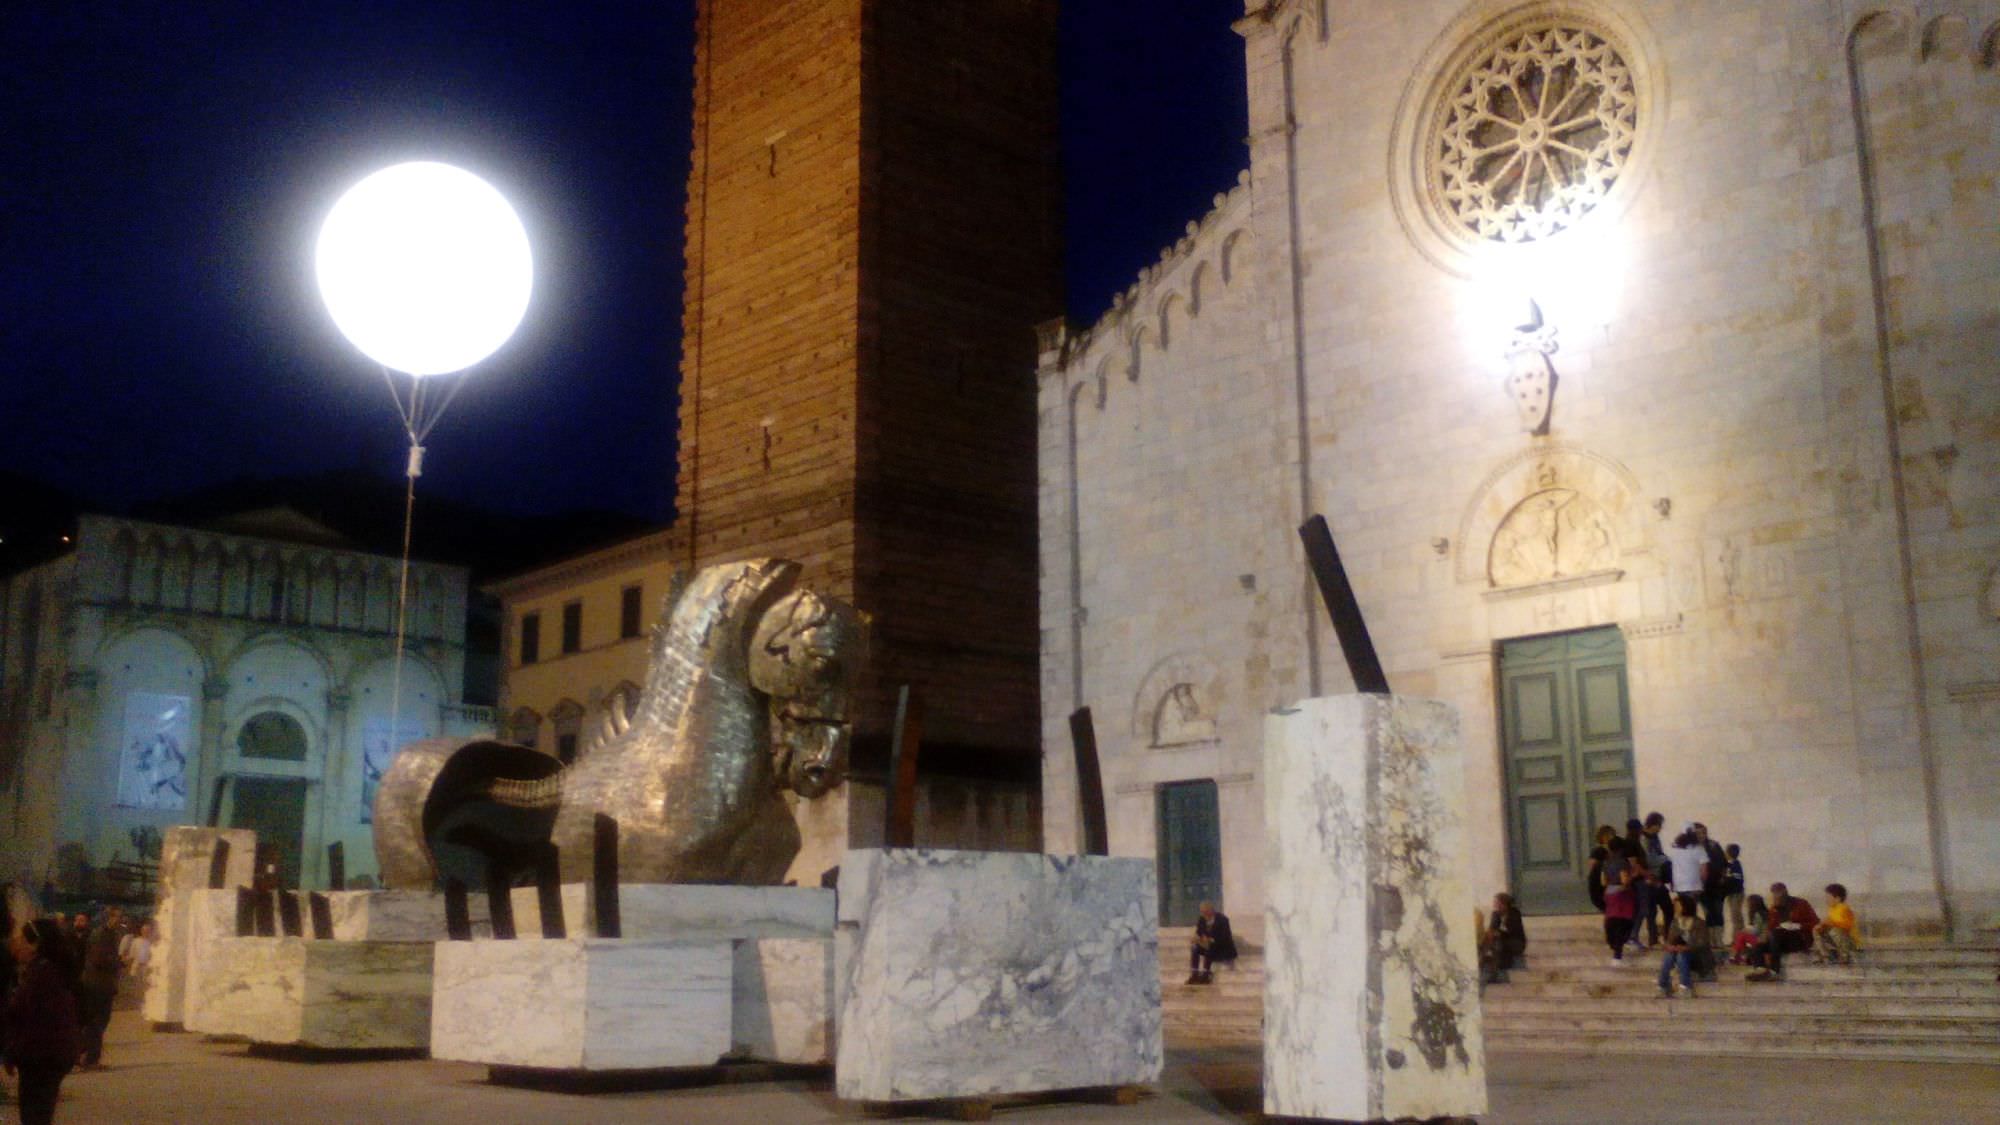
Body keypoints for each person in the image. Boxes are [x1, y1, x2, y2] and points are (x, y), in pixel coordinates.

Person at [4, 918, 84, 1125]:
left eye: (21, 939)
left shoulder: (42, 974)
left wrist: (12, 1052)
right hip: (52, 1055)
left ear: (35, 944)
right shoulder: (52, 970)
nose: (17, 944)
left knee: (34, 1117)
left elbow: (23, 1015)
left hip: (41, 1057)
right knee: (40, 1115)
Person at [75, 906, 122, 1068]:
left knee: (98, 1021)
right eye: (117, 917)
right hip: (96, 985)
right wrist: (119, 962)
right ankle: (89, 1058)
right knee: (97, 1021)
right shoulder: (100, 935)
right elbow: (98, 960)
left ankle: (81, 1055)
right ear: (108, 918)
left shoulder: (109, 934)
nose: (119, 921)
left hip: (102, 984)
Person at [1746, 882, 1818, 981]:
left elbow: (1815, 922)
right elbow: (1771, 927)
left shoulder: (1801, 904)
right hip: (1779, 941)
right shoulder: (1774, 909)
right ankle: (1760, 969)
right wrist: (1764, 937)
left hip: (1799, 938)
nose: (1776, 897)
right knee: (1758, 944)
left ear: (1785, 893)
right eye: (1774, 895)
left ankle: (1774, 971)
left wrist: (1797, 926)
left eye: (1778, 894)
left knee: (1776, 934)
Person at [1656, 893, 1710, 999]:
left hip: (1696, 956)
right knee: (1670, 955)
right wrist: (1670, 946)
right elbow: (1670, 941)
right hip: (1679, 953)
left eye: (1677, 905)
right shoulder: (1675, 922)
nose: (1675, 908)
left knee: (1681, 955)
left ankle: (1686, 987)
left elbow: (1702, 943)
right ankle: (1663, 986)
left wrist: (1687, 947)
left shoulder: (1699, 923)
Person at [1480, 893, 1527, 984]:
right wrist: (1495, 933)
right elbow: (1492, 929)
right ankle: (1493, 971)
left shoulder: (1514, 913)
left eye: (1497, 903)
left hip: (1516, 942)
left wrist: (1499, 933)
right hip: (1501, 942)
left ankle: (1485, 962)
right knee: (1494, 942)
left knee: (1495, 943)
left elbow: (1513, 931)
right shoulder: (1495, 914)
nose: (1495, 905)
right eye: (1495, 903)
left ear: (1504, 904)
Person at [1692, 822, 1729, 936]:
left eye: (1704, 832)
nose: (1702, 835)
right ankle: (1710, 937)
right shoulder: (1692, 848)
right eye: (1699, 833)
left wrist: (1722, 877)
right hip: (1702, 885)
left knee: (1718, 910)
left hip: (1716, 884)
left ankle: (1718, 937)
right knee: (1707, 911)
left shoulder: (1713, 845)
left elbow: (1724, 863)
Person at [1187, 902, 1236, 984]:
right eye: (1202, 912)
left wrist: (1211, 939)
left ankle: (1206, 974)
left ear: (1211, 911)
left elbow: (1225, 937)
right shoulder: (1202, 919)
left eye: (1206, 912)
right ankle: (1194, 974)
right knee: (1195, 947)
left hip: (1221, 947)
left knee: (1209, 947)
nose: (1204, 914)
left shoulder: (1222, 920)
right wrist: (1196, 938)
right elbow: (1199, 932)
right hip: (1207, 945)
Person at [1814, 883, 1860, 964]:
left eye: (1828, 897)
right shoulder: (1832, 909)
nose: (1826, 900)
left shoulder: (1844, 908)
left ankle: (1845, 956)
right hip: (1837, 940)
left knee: (1835, 930)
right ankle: (1825, 955)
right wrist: (1821, 926)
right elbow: (1829, 921)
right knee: (1816, 930)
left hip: (1850, 942)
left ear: (1837, 899)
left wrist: (1831, 923)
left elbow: (1846, 926)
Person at [1603, 864, 1638, 966]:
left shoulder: (1609, 889)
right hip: (1621, 914)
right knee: (1619, 934)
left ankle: (1617, 953)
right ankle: (1617, 955)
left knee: (1616, 934)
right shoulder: (1622, 889)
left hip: (1617, 915)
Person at [1584, 825, 1616, 912]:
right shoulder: (1598, 851)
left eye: (1612, 835)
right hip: (1600, 883)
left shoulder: (1614, 851)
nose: (1611, 837)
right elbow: (1593, 868)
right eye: (1608, 835)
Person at [1730, 894, 1769, 964]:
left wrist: (1746, 930)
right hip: (1763, 937)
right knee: (1741, 936)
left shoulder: (1758, 915)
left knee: (1740, 935)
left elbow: (1757, 931)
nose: (1747, 906)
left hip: (1761, 938)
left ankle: (1737, 956)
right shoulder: (1765, 912)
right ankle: (1741, 957)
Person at [1721, 844, 1747, 941]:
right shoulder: (1728, 865)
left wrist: (1726, 879)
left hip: (1737, 893)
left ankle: (1739, 939)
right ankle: (1736, 938)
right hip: (1731, 894)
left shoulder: (1736, 864)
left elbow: (1737, 879)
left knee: (1736, 916)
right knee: (1733, 916)